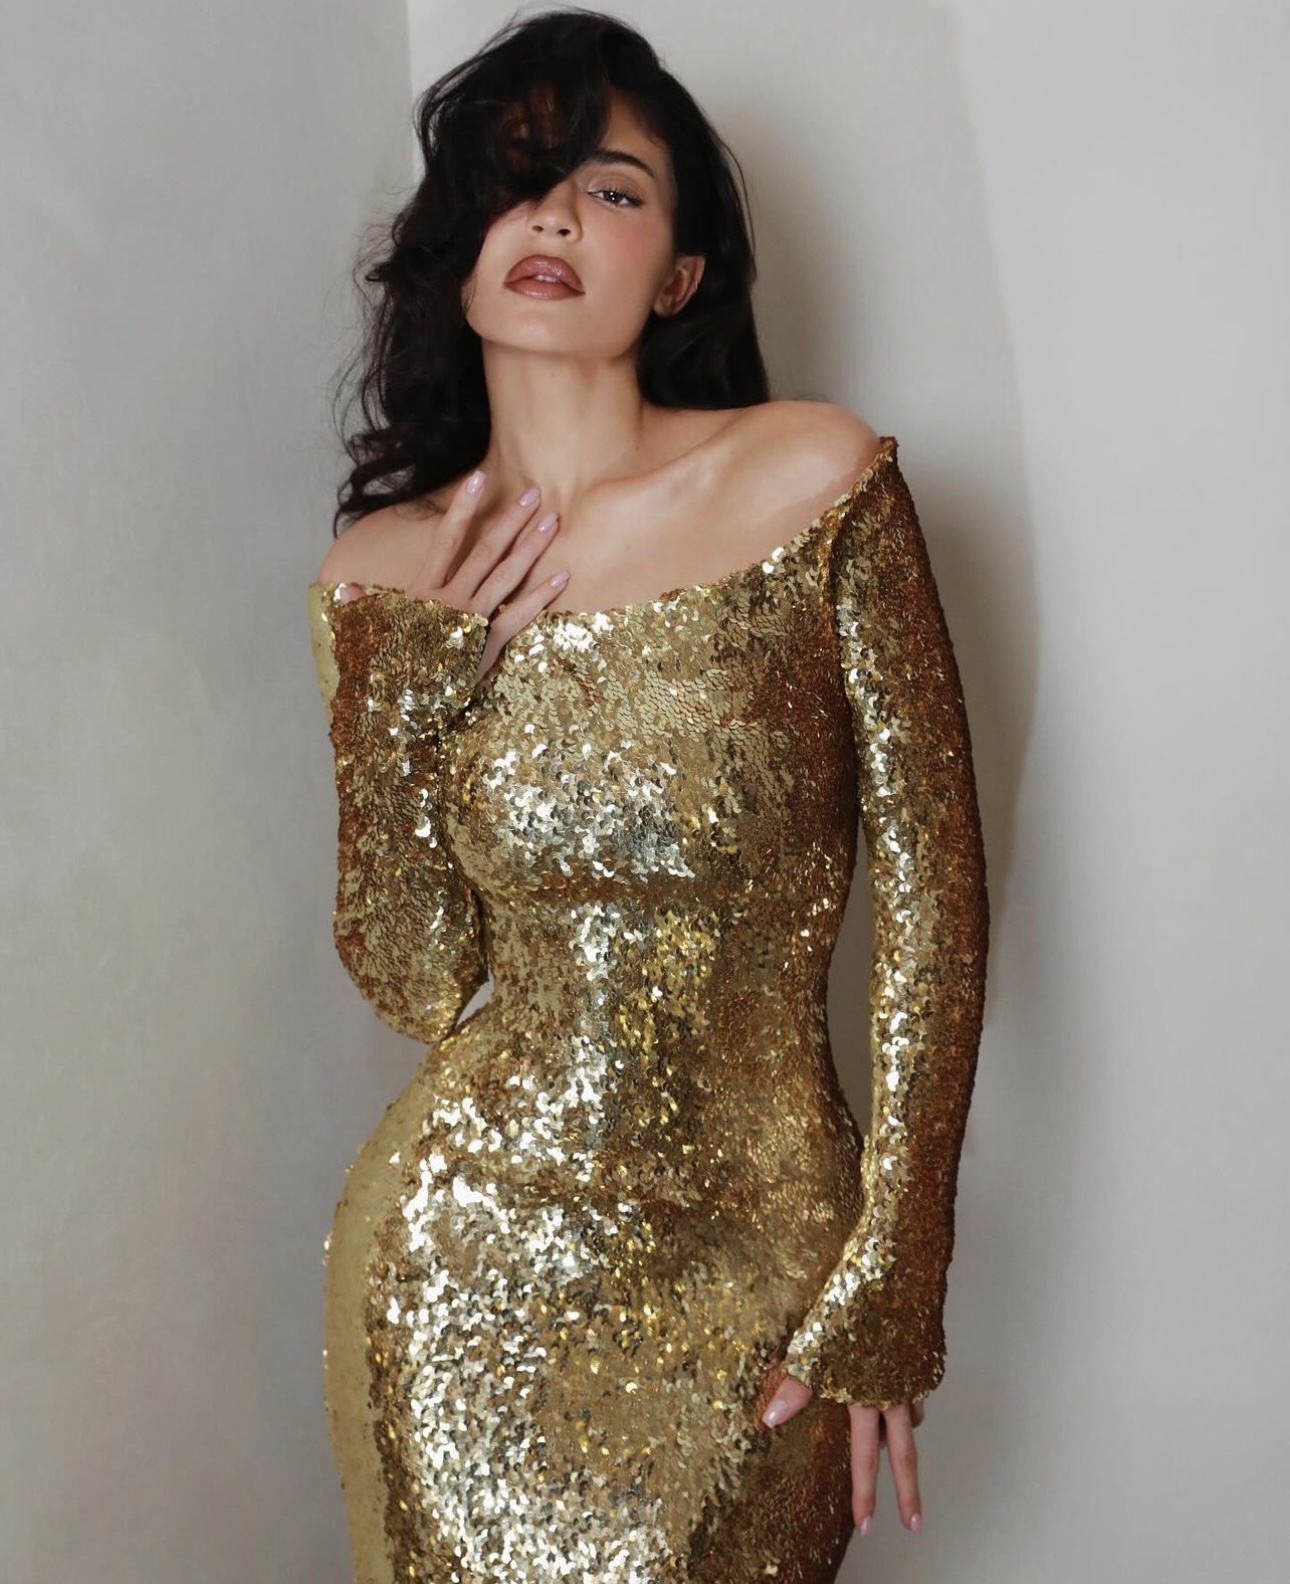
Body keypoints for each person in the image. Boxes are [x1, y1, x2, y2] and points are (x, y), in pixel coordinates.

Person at [306, 9, 988, 1582]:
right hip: (456, 1262)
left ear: (677, 275)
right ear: (458, 252)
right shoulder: (381, 573)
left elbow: (934, 900)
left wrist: (898, 1269)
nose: (551, 216)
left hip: (761, 1249)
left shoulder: (809, 479)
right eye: (513, 181)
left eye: (608, 190)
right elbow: (416, 981)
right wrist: (409, 711)